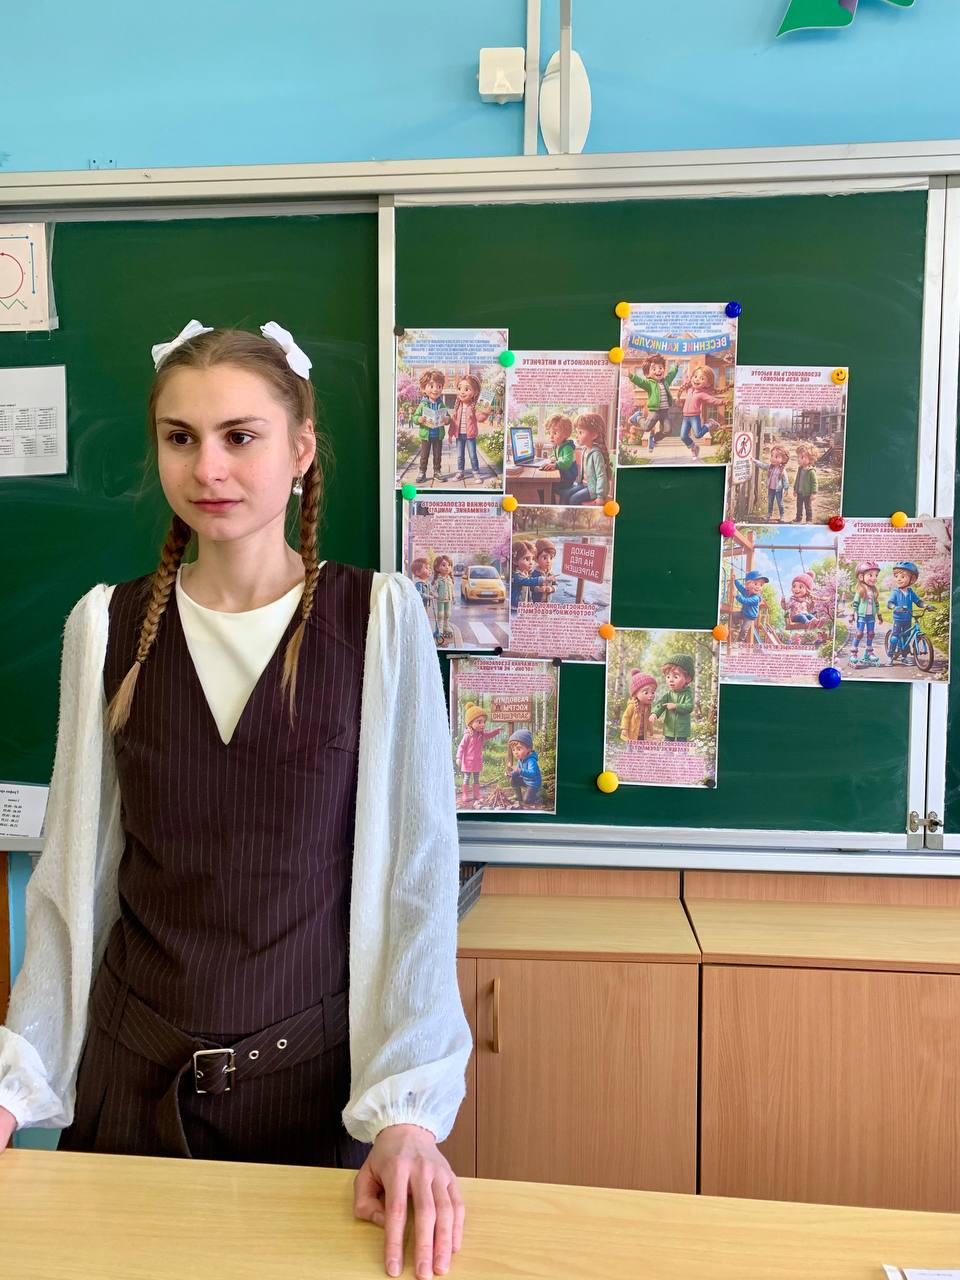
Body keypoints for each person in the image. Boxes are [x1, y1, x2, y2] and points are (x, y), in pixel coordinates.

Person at [0, 321, 470, 1280]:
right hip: (131, 1088)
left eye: (240, 436)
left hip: (308, 1094)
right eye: (180, 437)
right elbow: (71, 881)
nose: (208, 467)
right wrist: (16, 1081)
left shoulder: (377, 621)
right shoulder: (106, 626)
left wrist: (409, 1113)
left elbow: (416, 880)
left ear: (300, 451)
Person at [627, 353, 679, 454]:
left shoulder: (666, 381)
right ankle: (638, 417)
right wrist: (631, 376)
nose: (658, 371)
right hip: (655, 411)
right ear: (647, 373)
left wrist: (676, 365)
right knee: (646, 428)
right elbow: (640, 382)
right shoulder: (649, 384)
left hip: (664, 412)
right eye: (654, 369)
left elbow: (672, 374)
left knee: (668, 430)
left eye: (660, 368)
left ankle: (654, 438)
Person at [455, 703, 505, 807]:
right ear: (470, 723)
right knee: (466, 777)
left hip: (477, 761)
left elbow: (489, 735)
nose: (482, 724)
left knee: (476, 777)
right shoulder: (467, 736)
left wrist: (496, 731)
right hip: (468, 761)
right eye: (479, 722)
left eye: (483, 722)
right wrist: (458, 757)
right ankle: (465, 794)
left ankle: (476, 794)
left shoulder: (481, 735)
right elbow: (461, 746)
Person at [447, 373, 489, 483]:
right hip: (459, 435)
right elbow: (453, 422)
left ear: (475, 392)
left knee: (473, 455)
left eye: (467, 389)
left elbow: (480, 418)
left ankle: (476, 473)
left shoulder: (474, 406)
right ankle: (460, 472)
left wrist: (485, 412)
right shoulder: (457, 406)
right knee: (460, 456)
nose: (462, 392)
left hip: (470, 435)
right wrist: (450, 434)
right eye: (460, 388)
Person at [412, 369, 451, 484]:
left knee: (437, 455)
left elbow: (448, 417)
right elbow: (415, 417)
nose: (435, 389)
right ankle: (422, 472)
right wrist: (419, 419)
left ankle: (437, 471)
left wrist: (447, 419)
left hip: (438, 435)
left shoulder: (441, 404)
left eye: (439, 386)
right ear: (424, 388)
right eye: (431, 386)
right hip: (426, 435)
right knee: (424, 455)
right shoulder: (422, 404)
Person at [677, 366, 724, 459]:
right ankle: (694, 447)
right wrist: (684, 373)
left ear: (707, 384)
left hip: (694, 417)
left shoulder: (702, 394)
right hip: (685, 417)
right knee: (683, 436)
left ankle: (710, 424)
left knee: (698, 435)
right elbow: (685, 380)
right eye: (695, 376)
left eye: (702, 378)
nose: (697, 379)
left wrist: (723, 402)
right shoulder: (689, 389)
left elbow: (712, 400)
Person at [565, 413, 612, 505]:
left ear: (594, 435)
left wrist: (600, 496)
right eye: (577, 432)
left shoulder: (596, 454)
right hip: (584, 485)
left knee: (574, 499)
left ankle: (574, 514)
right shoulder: (584, 450)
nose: (577, 436)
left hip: (594, 489)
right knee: (567, 494)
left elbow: (601, 476)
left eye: (580, 432)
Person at [887, 560, 926, 667]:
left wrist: (926, 606)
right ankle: (890, 656)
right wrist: (895, 607)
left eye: (903, 576)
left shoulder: (911, 592)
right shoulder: (895, 592)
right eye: (896, 576)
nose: (899, 579)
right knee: (895, 637)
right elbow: (890, 603)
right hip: (898, 620)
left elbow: (918, 602)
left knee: (906, 638)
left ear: (912, 579)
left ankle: (904, 657)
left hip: (908, 619)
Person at [650, 656, 695, 742]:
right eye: (668, 677)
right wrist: (655, 713)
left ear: (687, 678)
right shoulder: (668, 695)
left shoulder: (687, 694)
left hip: (682, 729)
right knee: (668, 746)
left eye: (676, 677)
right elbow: (660, 704)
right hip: (669, 728)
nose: (671, 680)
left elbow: (689, 707)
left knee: (681, 747)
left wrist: (676, 706)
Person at [849, 560, 882, 667]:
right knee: (859, 634)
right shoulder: (860, 590)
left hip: (871, 616)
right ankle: (853, 654)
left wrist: (879, 615)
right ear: (861, 577)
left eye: (876, 575)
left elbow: (876, 604)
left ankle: (868, 653)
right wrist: (852, 615)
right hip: (862, 616)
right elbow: (855, 603)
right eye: (870, 575)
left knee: (871, 634)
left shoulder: (874, 591)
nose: (874, 578)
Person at [754, 446, 790, 521]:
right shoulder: (770, 467)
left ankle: (782, 515)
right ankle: (769, 514)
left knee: (780, 503)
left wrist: (786, 489)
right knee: (770, 502)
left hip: (778, 490)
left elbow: (785, 480)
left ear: (783, 459)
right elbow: (762, 465)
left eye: (776, 457)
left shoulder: (782, 470)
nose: (773, 458)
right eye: (772, 456)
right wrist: (754, 461)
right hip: (771, 488)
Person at [619, 670, 657, 742]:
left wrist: (650, 729)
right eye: (646, 692)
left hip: (642, 735)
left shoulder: (648, 706)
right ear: (635, 693)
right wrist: (624, 729)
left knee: (641, 747)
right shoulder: (632, 706)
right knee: (631, 747)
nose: (651, 695)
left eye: (653, 692)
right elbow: (626, 717)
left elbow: (648, 720)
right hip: (632, 734)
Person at [793, 446, 819, 523]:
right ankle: (798, 519)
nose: (799, 459)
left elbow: (814, 483)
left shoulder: (811, 471)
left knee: (808, 507)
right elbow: (797, 479)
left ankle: (809, 520)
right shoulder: (800, 469)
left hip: (807, 494)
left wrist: (814, 493)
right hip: (800, 492)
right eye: (798, 457)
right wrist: (795, 489)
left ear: (810, 459)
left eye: (802, 457)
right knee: (799, 506)